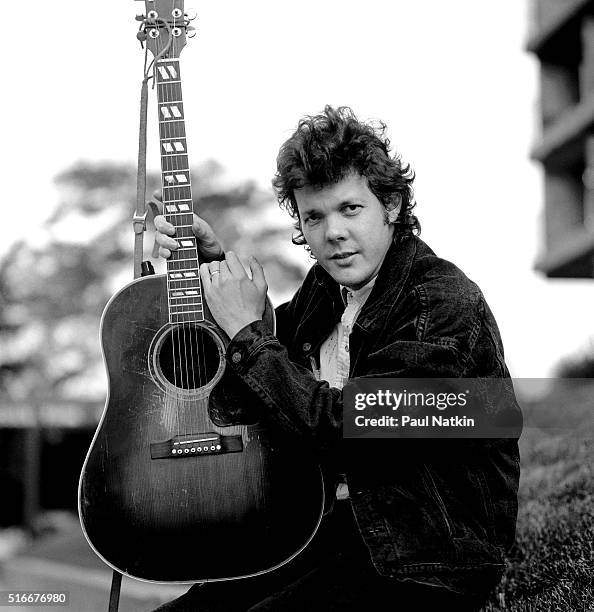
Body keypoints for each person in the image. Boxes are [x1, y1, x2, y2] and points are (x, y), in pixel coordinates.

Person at [151, 106, 520, 611]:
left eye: (350, 209)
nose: (333, 234)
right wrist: (212, 265)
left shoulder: (440, 303)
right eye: (314, 216)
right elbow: (255, 370)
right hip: (335, 535)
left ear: (389, 204)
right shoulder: (325, 290)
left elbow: (352, 430)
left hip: (427, 560)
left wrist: (247, 334)